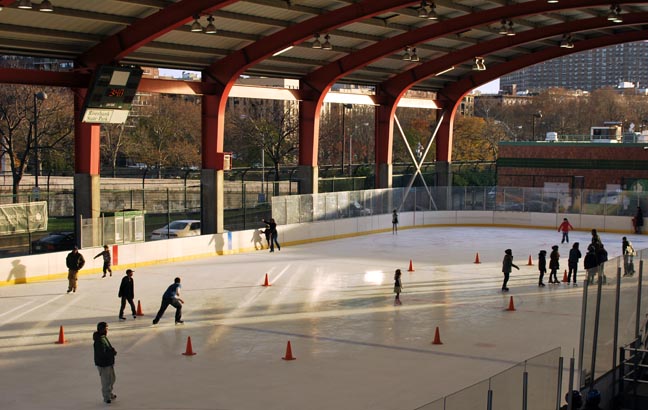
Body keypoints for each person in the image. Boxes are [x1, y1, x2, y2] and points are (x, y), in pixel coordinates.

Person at [93, 322, 117, 404]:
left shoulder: (103, 337)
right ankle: (106, 397)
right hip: (103, 364)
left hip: (108, 362)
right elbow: (102, 353)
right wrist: (112, 353)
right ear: (101, 329)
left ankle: (109, 393)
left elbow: (107, 348)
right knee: (106, 381)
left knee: (112, 379)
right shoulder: (99, 340)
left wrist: (111, 350)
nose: (107, 330)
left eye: (107, 329)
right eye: (105, 329)